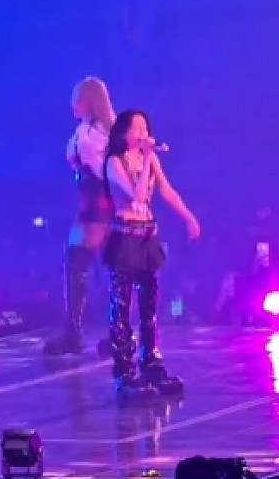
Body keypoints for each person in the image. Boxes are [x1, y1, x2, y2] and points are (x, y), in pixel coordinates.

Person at [101, 109, 199, 395]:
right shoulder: (114, 162)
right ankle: (124, 372)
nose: (143, 134)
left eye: (145, 128)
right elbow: (138, 195)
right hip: (124, 238)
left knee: (149, 306)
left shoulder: (149, 159)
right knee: (122, 306)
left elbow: (166, 191)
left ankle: (151, 364)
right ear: (124, 133)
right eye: (136, 129)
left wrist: (189, 218)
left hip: (147, 238)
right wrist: (146, 162)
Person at [45, 77, 116, 355]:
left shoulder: (91, 137)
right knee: (94, 266)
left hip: (97, 205)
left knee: (81, 264)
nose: (72, 104)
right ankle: (108, 333)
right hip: (94, 203)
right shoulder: (92, 130)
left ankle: (77, 333)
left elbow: (106, 173)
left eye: (77, 99)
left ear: (88, 102)